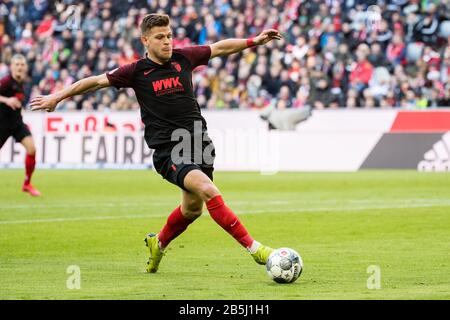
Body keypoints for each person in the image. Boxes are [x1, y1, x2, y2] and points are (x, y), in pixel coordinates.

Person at [30, 13, 282, 273]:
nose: (167, 42)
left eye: (169, 36)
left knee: (192, 209)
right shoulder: (136, 71)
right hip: (169, 149)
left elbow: (219, 48)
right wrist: (57, 96)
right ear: (145, 41)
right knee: (209, 190)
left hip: (199, 141)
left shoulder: (184, 58)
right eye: (160, 37)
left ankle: (158, 244)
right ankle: (257, 250)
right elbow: (94, 82)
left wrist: (254, 41)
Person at [0, 54, 41, 197]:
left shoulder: (24, 82)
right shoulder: (5, 81)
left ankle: (27, 184)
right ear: (11, 66)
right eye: (16, 64)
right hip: (2, 124)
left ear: (26, 67)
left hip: (17, 123)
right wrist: (6, 100)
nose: (19, 67)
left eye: (22, 65)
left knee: (32, 149)